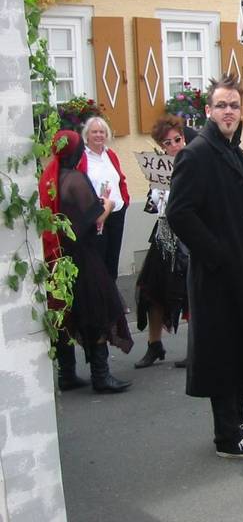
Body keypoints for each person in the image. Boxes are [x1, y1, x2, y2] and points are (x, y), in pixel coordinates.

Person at [166, 74, 243, 460]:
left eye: (234, 105)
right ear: (208, 110)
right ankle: (227, 436)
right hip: (219, 276)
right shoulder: (197, 153)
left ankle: (237, 419)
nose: (228, 111)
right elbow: (179, 214)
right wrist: (218, 255)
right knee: (225, 354)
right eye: (221, 105)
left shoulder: (232, 150)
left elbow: (242, 202)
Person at [40, 130, 133, 393]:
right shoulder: (74, 179)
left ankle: (66, 374)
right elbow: (93, 218)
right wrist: (107, 204)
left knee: (66, 314)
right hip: (81, 256)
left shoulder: (51, 178)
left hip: (58, 258)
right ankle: (101, 376)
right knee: (97, 311)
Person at [134, 116, 190, 369]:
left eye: (177, 139)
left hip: (190, 235)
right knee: (153, 291)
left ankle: (197, 348)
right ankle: (154, 344)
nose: (174, 145)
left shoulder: (196, 163)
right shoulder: (160, 167)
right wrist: (157, 190)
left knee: (191, 295)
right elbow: (151, 207)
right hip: (165, 233)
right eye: (168, 142)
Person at [82, 116, 129, 281]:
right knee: (98, 260)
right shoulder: (83, 157)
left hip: (116, 212)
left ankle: (113, 298)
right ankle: (102, 299)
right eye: (94, 132)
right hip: (96, 216)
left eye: (102, 132)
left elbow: (120, 178)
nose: (98, 135)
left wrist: (125, 200)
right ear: (87, 135)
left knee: (112, 258)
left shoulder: (110, 155)